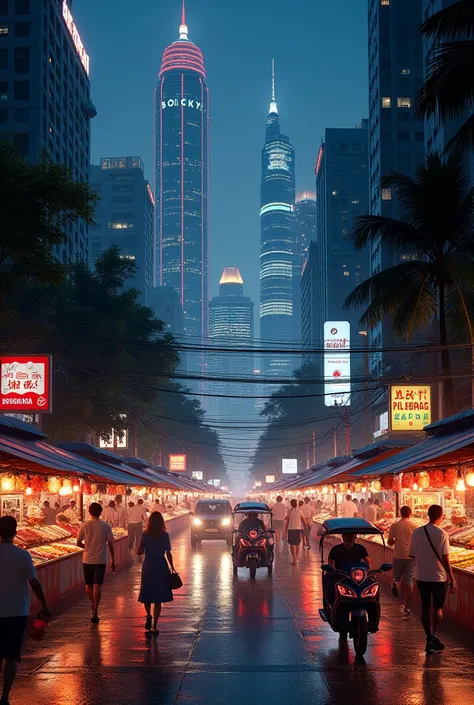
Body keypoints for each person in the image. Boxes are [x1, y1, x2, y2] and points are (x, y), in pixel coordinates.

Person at [0, 516, 50, 705]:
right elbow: (34, 582)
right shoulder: (22, 555)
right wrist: (44, 603)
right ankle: (5, 696)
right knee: (11, 654)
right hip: (16, 611)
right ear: (15, 533)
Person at [409, 504, 456, 654]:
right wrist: (452, 578)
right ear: (441, 515)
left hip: (421, 576)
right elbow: (446, 558)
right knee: (438, 607)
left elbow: (412, 555)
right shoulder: (442, 534)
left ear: (428, 515)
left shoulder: (417, 532)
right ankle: (434, 635)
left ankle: (428, 637)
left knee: (425, 607)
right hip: (438, 577)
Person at [76, 502, 116, 624]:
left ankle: (93, 605)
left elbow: (78, 542)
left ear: (89, 512)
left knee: (88, 585)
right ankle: (96, 610)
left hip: (87, 559)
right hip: (100, 559)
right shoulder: (105, 526)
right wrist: (113, 560)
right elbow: (110, 544)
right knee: (97, 585)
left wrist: (87, 548)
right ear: (100, 512)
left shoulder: (85, 525)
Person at [136, 512, 175, 635]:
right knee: (158, 597)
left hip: (148, 565)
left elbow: (139, 552)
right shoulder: (165, 535)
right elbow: (168, 552)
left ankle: (148, 615)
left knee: (147, 592)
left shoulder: (145, 535)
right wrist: (172, 566)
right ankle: (154, 626)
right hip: (161, 565)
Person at [388, 506, 417, 615]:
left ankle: (396, 588)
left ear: (400, 513)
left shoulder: (395, 526)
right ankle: (406, 605)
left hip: (398, 555)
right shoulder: (415, 526)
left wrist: (397, 541)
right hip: (411, 556)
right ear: (411, 513)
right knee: (409, 580)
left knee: (396, 577)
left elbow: (390, 542)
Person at [284, 499, 305, 566]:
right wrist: (306, 529)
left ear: (291, 504)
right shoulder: (300, 511)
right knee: (297, 544)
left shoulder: (289, 511)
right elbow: (303, 521)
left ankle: (294, 559)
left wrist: (285, 530)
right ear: (296, 503)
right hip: (298, 529)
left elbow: (287, 521)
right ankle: (295, 558)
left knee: (292, 545)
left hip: (291, 529)